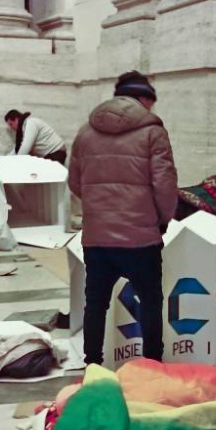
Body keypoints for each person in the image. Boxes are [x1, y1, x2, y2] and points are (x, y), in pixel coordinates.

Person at [69, 71, 177, 365]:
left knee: (96, 304)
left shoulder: (85, 132)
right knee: (151, 303)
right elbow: (165, 186)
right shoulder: (153, 132)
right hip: (141, 239)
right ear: (143, 99)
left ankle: (93, 364)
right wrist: (162, 220)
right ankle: (152, 366)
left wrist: (98, 208)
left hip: (97, 239)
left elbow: (75, 183)